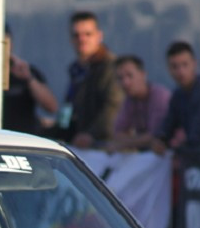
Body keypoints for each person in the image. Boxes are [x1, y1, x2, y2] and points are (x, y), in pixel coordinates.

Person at [151, 41, 200, 154]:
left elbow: (198, 136)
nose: (180, 71)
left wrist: (177, 148)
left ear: (194, 64)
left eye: (185, 64)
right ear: (168, 69)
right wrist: (160, 140)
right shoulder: (178, 94)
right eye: (174, 66)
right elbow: (168, 124)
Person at [61, 11, 122, 148]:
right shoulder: (76, 70)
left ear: (99, 36)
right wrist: (59, 128)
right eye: (76, 35)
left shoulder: (111, 67)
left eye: (88, 34)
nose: (82, 39)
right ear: (71, 39)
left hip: (105, 147)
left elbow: (114, 107)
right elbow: (68, 106)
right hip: (80, 144)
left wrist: (90, 135)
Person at [108, 54, 170, 152]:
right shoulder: (130, 100)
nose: (125, 82)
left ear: (143, 74)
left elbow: (155, 135)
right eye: (120, 78)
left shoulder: (159, 96)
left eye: (130, 75)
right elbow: (117, 133)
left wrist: (125, 143)